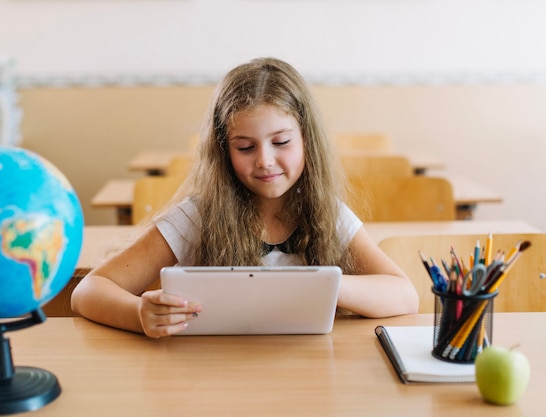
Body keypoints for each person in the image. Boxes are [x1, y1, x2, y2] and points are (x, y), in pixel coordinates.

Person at [71, 57, 419, 338]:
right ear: (224, 151)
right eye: (245, 147)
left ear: (307, 141)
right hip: (214, 378)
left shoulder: (328, 214)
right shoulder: (198, 217)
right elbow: (89, 290)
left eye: (281, 142)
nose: (265, 160)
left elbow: (404, 295)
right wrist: (139, 314)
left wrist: (322, 285)